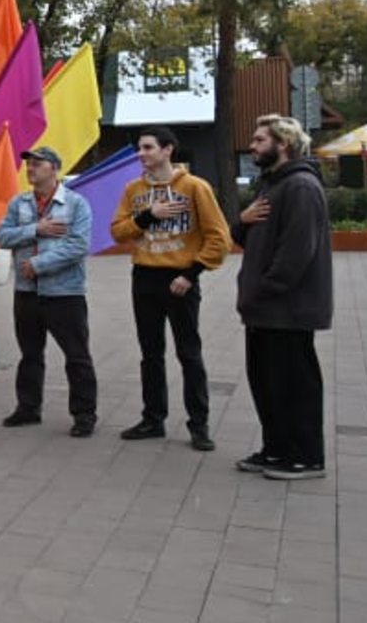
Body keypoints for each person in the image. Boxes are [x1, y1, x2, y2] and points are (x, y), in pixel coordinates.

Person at [110, 126, 232, 450]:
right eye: (139, 148)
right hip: (144, 278)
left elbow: (219, 237)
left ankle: (199, 425)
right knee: (150, 355)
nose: (141, 153)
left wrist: (191, 274)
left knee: (188, 353)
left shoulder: (195, 187)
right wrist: (149, 216)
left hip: (181, 280)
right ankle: (153, 419)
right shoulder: (133, 189)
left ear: (167, 150)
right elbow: (118, 231)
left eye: (148, 147)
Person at [233, 114, 333, 480]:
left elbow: (296, 252)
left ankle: (306, 457)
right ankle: (276, 449)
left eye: (260, 140)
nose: (253, 146)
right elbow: (243, 238)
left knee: (294, 384)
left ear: (283, 144)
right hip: (263, 310)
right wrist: (242, 220)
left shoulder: (301, 187)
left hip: (287, 309)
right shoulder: (270, 186)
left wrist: (264, 289)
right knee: (268, 383)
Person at [0, 146, 98, 437]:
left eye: (37, 164)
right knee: (30, 353)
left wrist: (39, 264)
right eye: (28, 164)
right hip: (26, 292)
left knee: (76, 355)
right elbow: (0, 236)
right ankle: (28, 408)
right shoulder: (20, 204)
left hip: (64, 292)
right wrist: (35, 230)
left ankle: (84, 414)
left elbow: (78, 246)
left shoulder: (75, 204)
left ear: (54, 168)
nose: (30, 169)